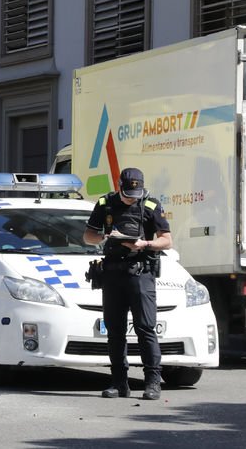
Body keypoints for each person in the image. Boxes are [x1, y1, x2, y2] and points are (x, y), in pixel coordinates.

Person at [83, 167, 173, 401]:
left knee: (145, 328)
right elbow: (88, 236)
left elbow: (167, 241)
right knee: (115, 331)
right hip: (113, 274)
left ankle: (152, 382)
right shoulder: (105, 204)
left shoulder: (151, 205)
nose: (131, 198)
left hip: (140, 273)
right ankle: (119, 383)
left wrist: (145, 245)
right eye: (127, 194)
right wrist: (105, 237)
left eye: (135, 194)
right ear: (119, 185)